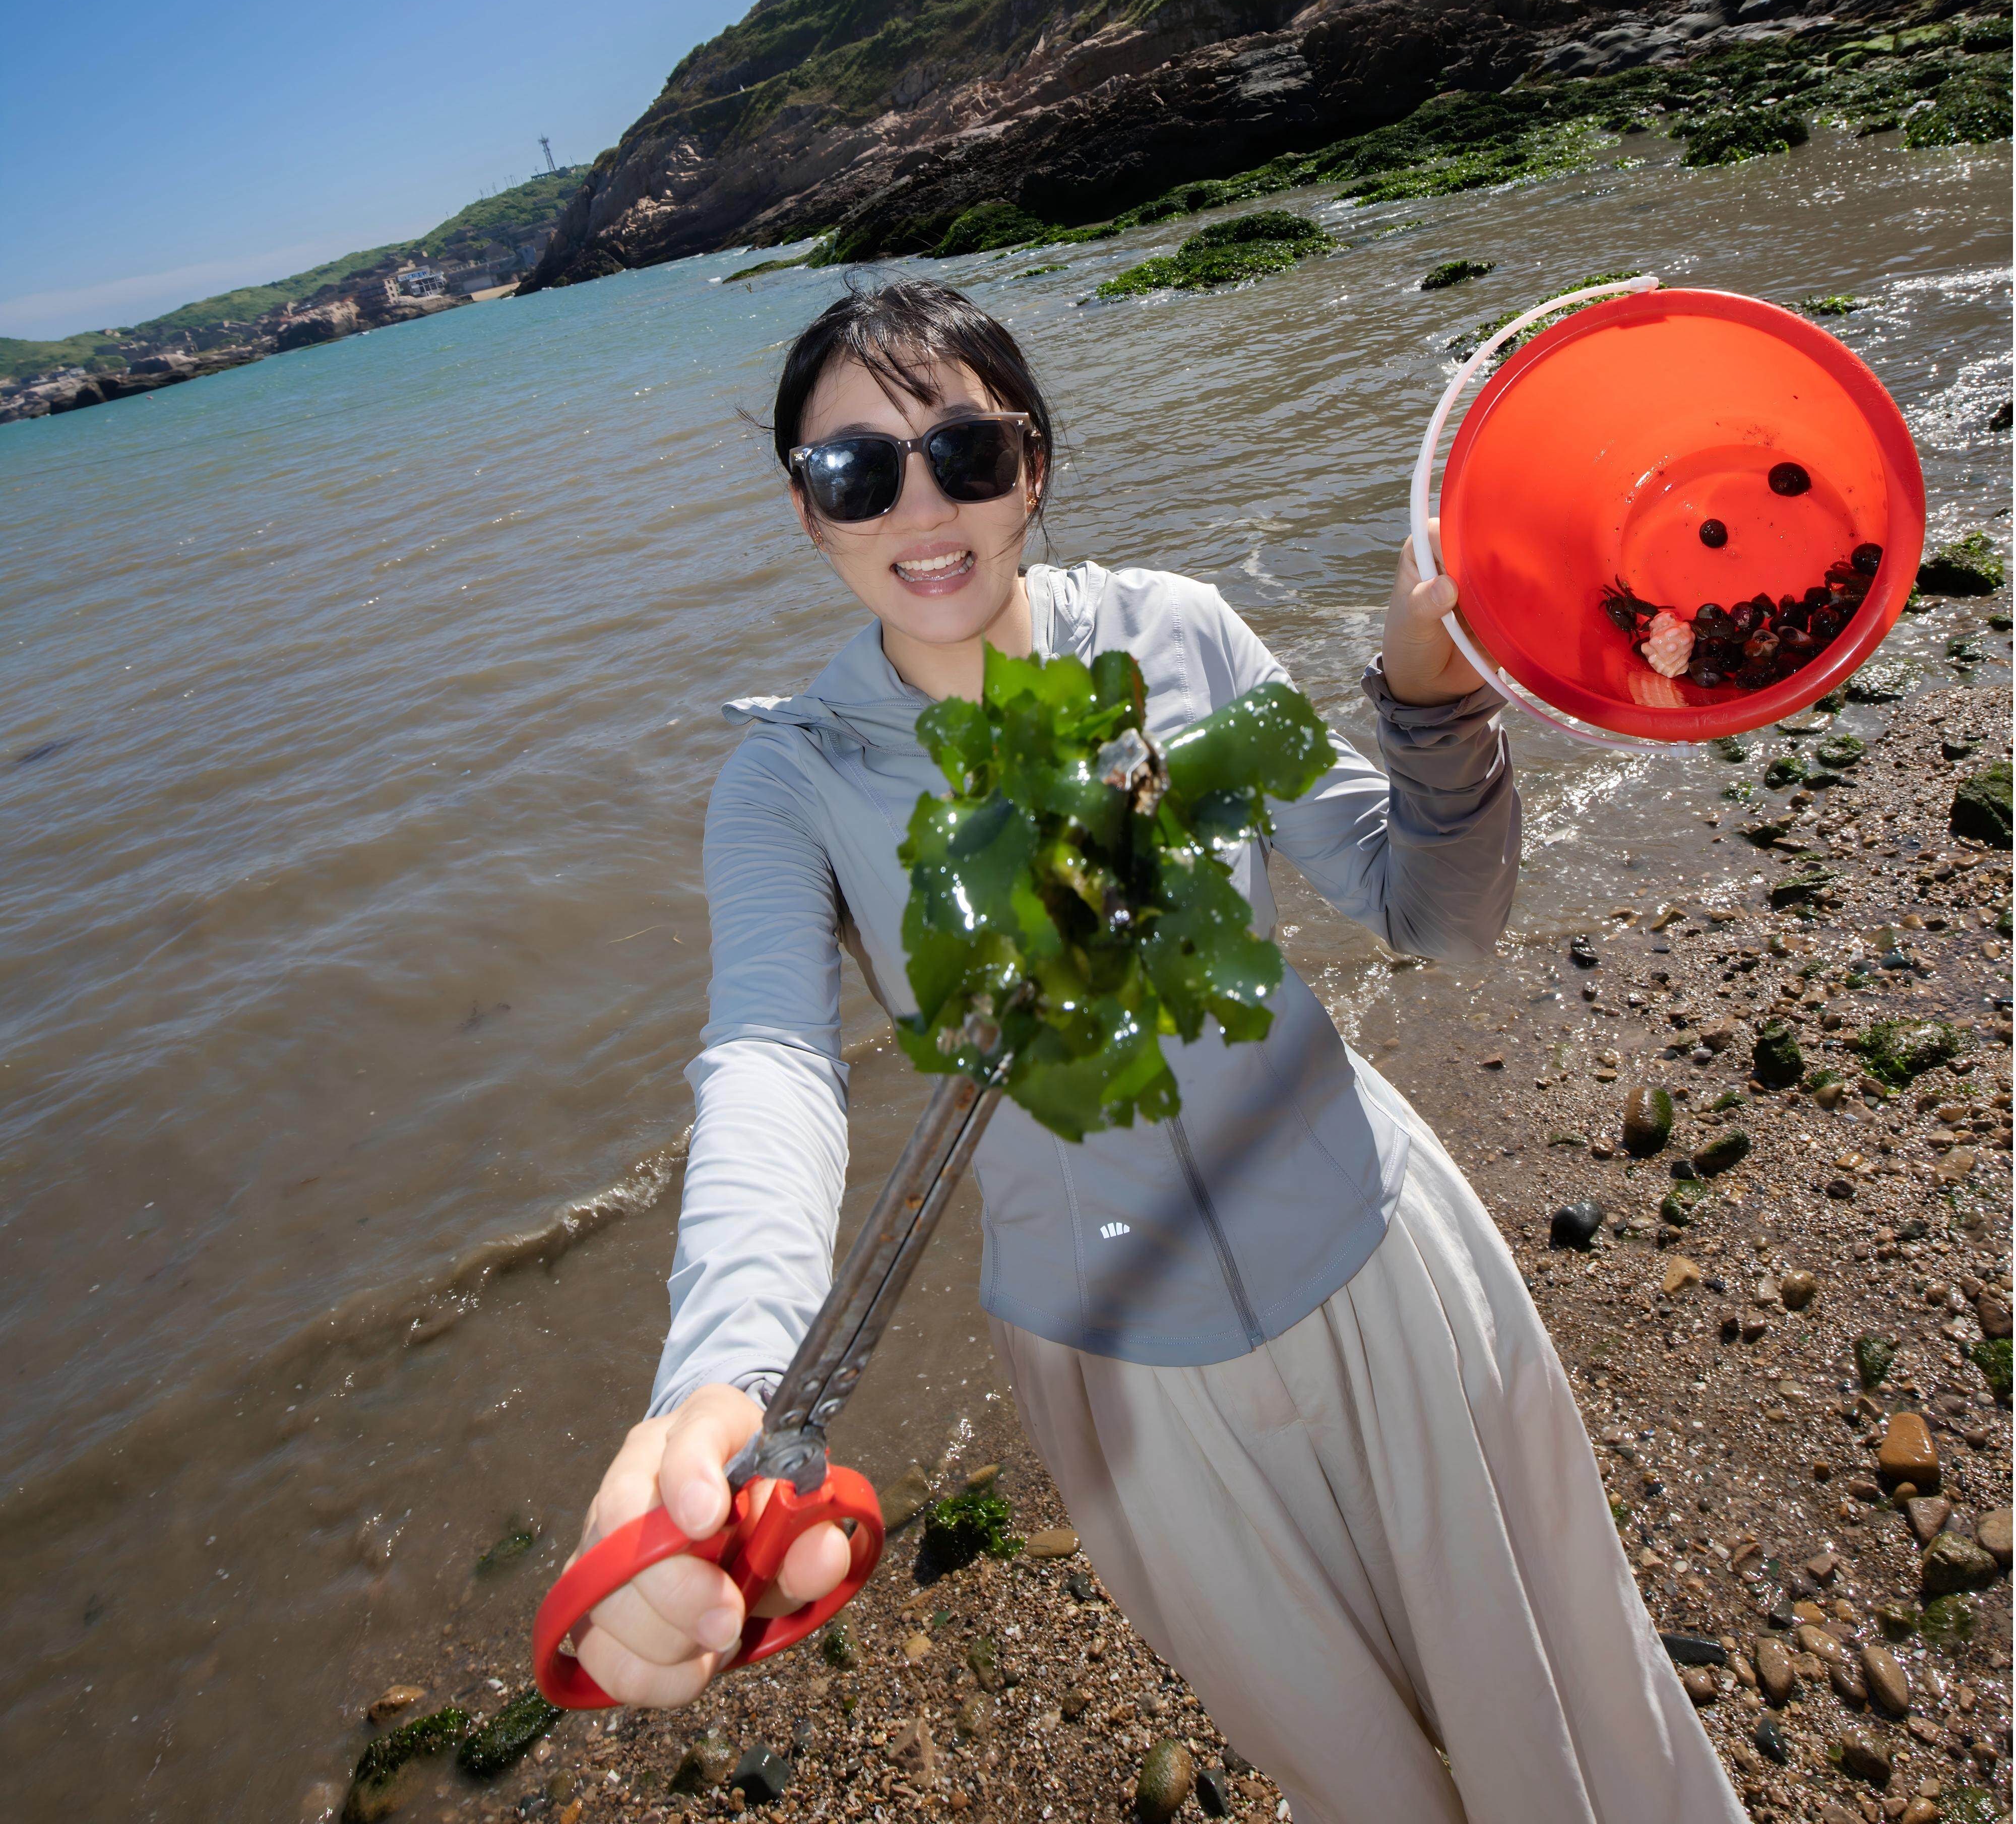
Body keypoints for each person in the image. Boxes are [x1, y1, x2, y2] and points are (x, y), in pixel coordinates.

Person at [566, 281, 1746, 1823]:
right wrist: (718, 1379)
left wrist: (1433, 699)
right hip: (1125, 1386)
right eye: (855, 472)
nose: (921, 508)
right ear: (807, 510)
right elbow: (770, 1067)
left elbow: (1433, 913)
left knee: (1576, 1712)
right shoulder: (793, 783)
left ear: (1034, 469)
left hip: (1377, 1257)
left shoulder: (1179, 635)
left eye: (967, 454)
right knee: (1368, 1789)